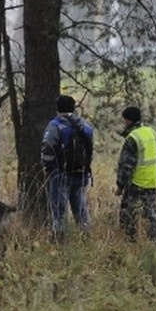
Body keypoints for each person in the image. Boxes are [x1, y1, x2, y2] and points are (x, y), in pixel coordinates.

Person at [40, 94, 94, 241]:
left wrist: (46, 167)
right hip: (81, 174)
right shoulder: (85, 126)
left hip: (60, 175)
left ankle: (60, 243)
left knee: (59, 212)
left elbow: (47, 147)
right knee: (81, 211)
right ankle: (87, 239)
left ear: (58, 108)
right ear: (73, 107)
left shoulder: (55, 125)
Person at [115, 106, 156, 243]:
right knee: (152, 214)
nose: (124, 123)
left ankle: (129, 241)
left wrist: (120, 186)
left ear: (128, 120)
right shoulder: (151, 133)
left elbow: (126, 166)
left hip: (136, 183)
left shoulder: (132, 138)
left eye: (124, 120)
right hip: (151, 181)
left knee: (128, 214)